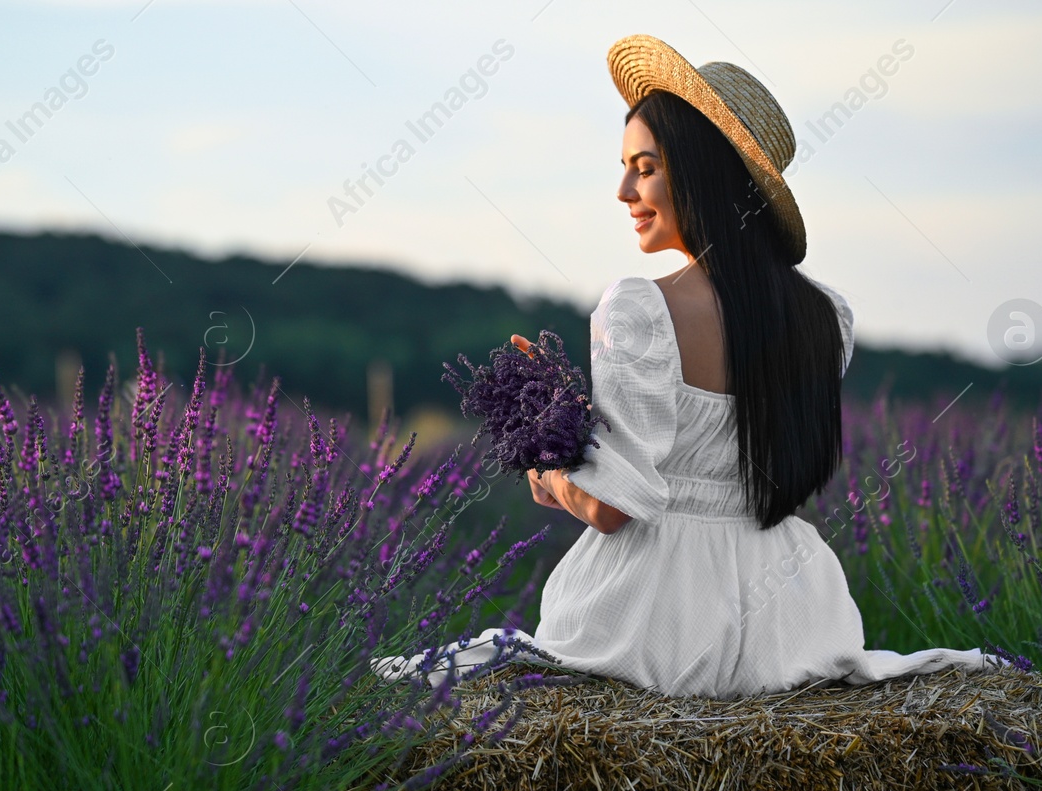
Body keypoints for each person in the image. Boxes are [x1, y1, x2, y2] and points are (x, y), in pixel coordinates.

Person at [373, 35, 993, 698]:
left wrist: (549, 467)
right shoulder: (825, 317)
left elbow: (614, 508)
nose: (623, 190)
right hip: (796, 612)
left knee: (422, 679)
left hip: (655, 613)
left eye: (645, 166)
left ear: (702, 171)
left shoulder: (638, 308)